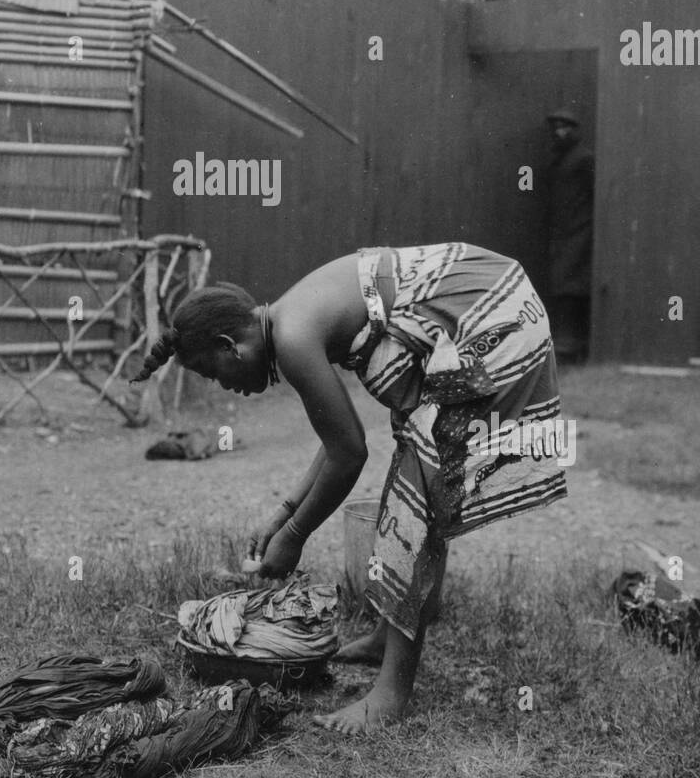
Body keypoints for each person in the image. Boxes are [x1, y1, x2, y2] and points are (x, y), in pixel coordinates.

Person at [132, 243, 568, 735]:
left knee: (422, 482)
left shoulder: (294, 337)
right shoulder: (289, 321)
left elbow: (349, 454)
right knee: (418, 459)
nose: (223, 387)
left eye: (214, 374)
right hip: (489, 292)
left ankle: (392, 692)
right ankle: (388, 635)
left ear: (231, 346)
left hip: (490, 315)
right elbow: (336, 432)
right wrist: (285, 511)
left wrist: (295, 535)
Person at [545, 110, 595, 362]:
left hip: (579, 231)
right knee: (563, 283)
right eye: (555, 127)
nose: (558, 131)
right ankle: (567, 342)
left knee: (571, 285)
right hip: (563, 232)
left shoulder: (584, 159)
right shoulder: (561, 159)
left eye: (565, 127)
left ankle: (571, 343)